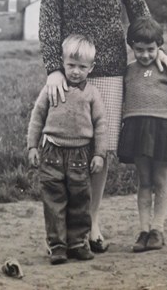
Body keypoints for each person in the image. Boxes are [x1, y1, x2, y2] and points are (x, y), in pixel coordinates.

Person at [39, 0, 167, 252]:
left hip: (112, 66)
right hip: (71, 71)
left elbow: (139, 9)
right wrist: (54, 69)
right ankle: (64, 227)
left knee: (101, 146)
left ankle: (91, 224)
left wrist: (158, 50)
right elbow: (49, 21)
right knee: (70, 147)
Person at [117, 17, 167, 252]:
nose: (144, 55)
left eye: (150, 50)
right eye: (139, 50)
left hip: (162, 128)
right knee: (144, 181)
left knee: (161, 180)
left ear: (159, 46)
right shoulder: (128, 71)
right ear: (132, 47)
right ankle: (143, 231)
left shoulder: (165, 68)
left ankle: (157, 230)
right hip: (136, 128)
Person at [27, 34, 107, 265]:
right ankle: (57, 246)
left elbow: (101, 124)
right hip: (51, 152)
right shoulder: (52, 88)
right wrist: (32, 146)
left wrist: (100, 154)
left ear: (91, 68)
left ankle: (78, 243)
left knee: (80, 199)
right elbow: (37, 117)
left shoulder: (92, 93)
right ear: (62, 63)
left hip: (80, 155)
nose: (75, 71)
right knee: (54, 199)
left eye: (82, 67)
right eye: (71, 65)